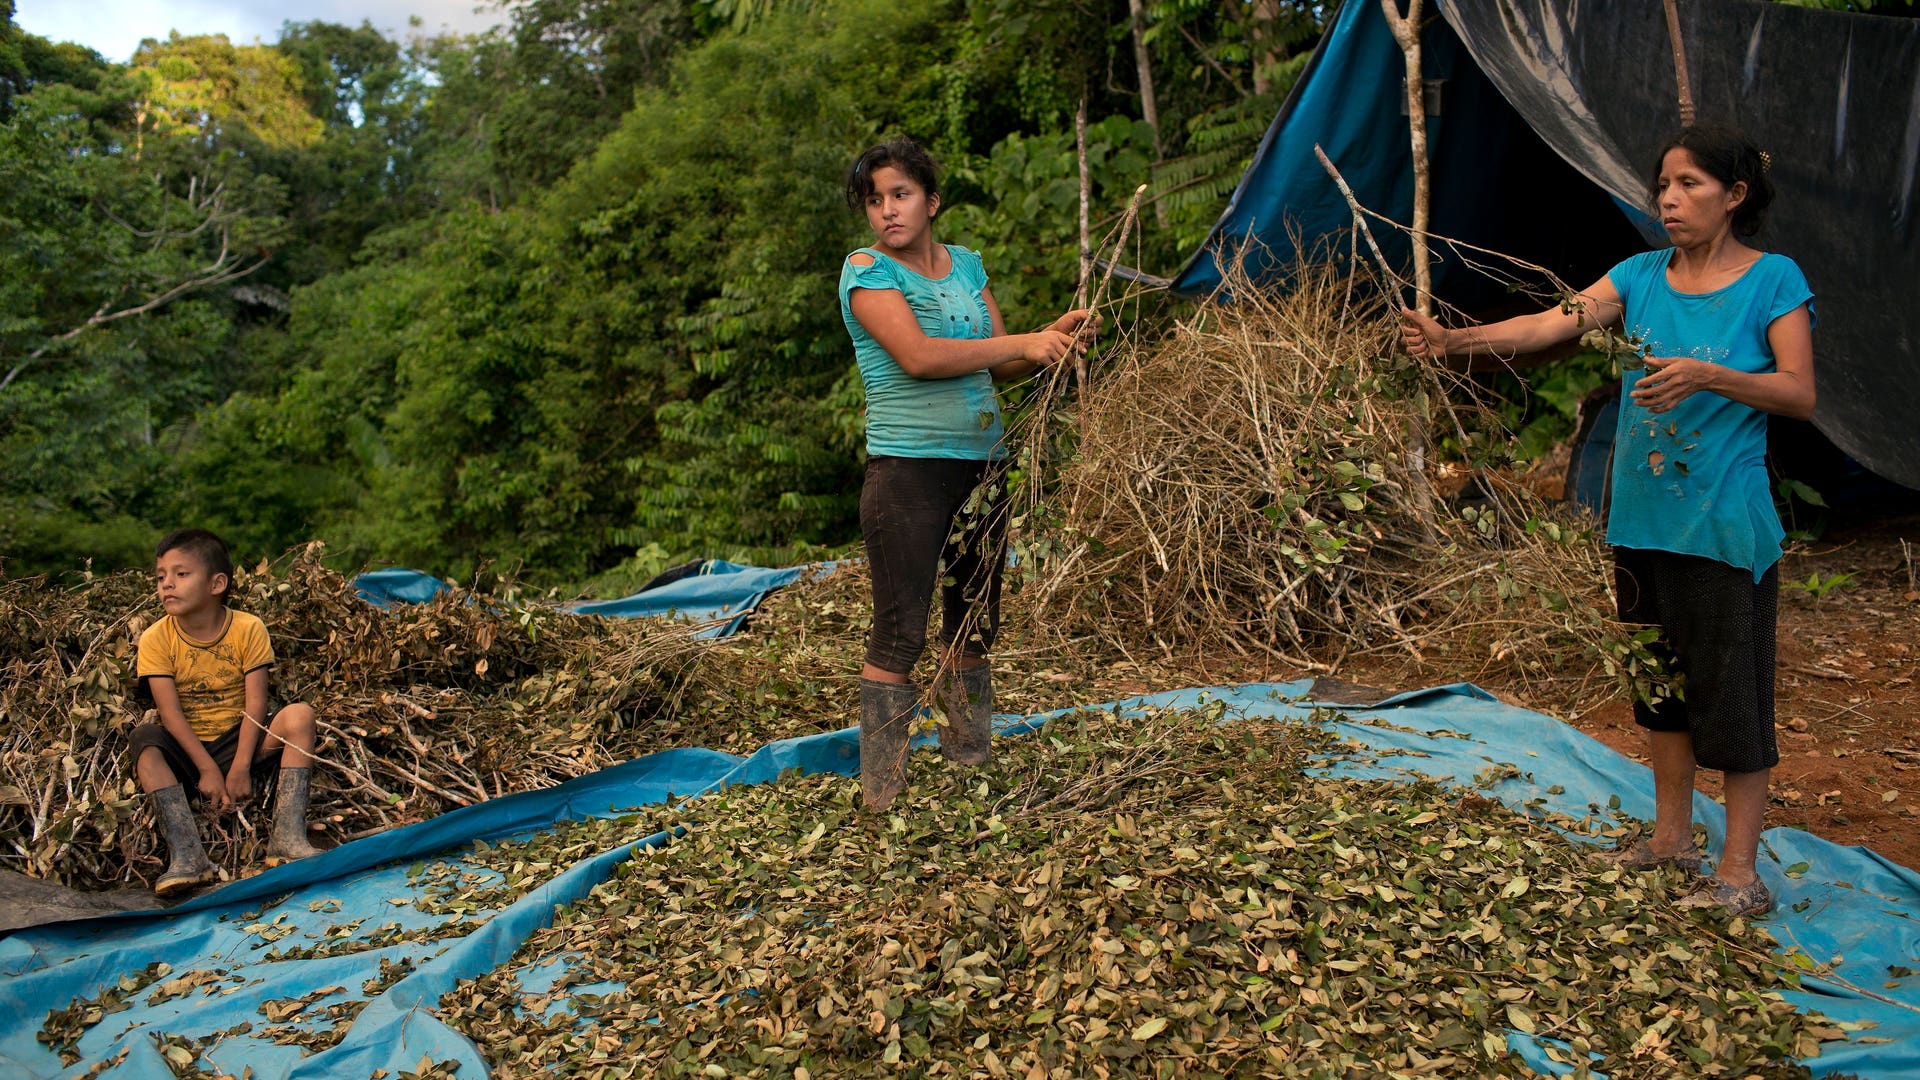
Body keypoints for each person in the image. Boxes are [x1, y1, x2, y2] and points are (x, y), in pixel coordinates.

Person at [1401, 125, 1813, 917]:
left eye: (1689, 184)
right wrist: (1455, 340)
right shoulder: (1639, 275)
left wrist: (1708, 375)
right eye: (1663, 183)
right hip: (1641, 523)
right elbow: (1548, 325)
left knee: (1732, 702)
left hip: (1723, 526)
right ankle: (1669, 841)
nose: (1668, 197)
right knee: (1660, 692)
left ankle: (1738, 875)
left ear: (1735, 196)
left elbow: (1800, 393)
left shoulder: (1774, 282)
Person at [839, 138, 1095, 811]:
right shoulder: (867, 272)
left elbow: (998, 364)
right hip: (908, 473)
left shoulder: (967, 268)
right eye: (875, 200)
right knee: (903, 630)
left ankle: (969, 763)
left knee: (975, 621)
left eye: (900, 194)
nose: (887, 211)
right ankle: (882, 794)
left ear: (932, 200)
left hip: (982, 466)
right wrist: (1020, 341)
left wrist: (1048, 342)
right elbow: (920, 357)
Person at [130, 529, 324, 897]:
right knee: (144, 739)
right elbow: (169, 713)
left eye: (181, 574)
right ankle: (188, 857)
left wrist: (239, 767)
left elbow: (256, 705)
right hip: (188, 748)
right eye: (160, 577)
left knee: (299, 715)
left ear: (217, 583)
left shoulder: (247, 628)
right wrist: (205, 768)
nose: (167, 584)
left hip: (241, 737)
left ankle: (286, 839)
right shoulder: (156, 638)